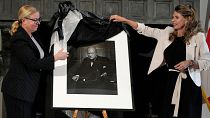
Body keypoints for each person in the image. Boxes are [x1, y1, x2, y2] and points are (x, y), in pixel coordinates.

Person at [110, 4, 210, 118]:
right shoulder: (167, 32)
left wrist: (191, 62)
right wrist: (124, 20)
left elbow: (206, 61)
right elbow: (145, 29)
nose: (173, 20)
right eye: (173, 17)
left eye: (176, 17)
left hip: (189, 84)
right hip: (170, 83)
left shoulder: (198, 36)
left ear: (187, 19)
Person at [1, 5, 69, 118]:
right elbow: (33, 63)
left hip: (29, 90)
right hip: (18, 92)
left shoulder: (34, 34)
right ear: (24, 20)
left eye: (39, 19)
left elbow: (42, 56)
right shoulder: (19, 39)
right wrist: (55, 58)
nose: (38, 23)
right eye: (35, 20)